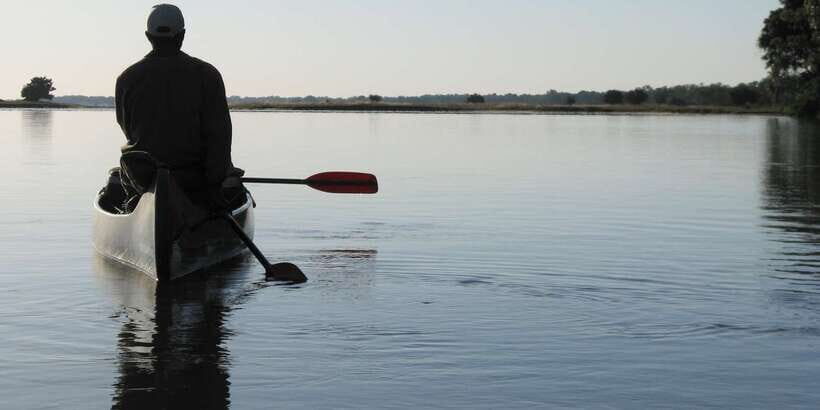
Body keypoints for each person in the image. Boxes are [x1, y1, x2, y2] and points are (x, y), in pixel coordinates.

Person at [115, 4, 240, 211]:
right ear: (182, 35)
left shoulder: (127, 78)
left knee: (117, 176)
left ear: (148, 36)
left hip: (144, 178)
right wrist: (218, 181)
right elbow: (220, 137)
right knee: (230, 181)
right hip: (194, 181)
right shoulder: (208, 75)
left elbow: (127, 128)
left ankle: (136, 208)